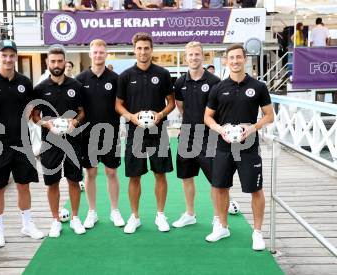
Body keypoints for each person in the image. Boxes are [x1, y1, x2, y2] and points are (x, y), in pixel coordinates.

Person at [204, 44, 274, 250]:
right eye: (231, 58)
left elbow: (270, 116)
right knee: (219, 187)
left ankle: (258, 233)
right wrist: (220, 129)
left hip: (249, 146)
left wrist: (252, 128)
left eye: (238, 57)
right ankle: (222, 227)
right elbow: (207, 117)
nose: (235, 61)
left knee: (256, 189)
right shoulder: (218, 88)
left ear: (245, 59)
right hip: (223, 146)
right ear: (226, 61)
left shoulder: (258, 87)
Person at [0, 40, 44, 248]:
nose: (8, 59)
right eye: (4, 55)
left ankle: (27, 225)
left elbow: (33, 111)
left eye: (12, 55)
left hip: (22, 142)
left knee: (23, 186)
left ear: (16, 57)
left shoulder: (25, 82)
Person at [116, 32, 175, 234]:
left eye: (146, 48)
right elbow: (118, 105)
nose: (143, 52)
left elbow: (171, 102)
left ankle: (160, 215)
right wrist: (131, 117)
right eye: (139, 48)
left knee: (160, 173)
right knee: (134, 176)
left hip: (158, 131)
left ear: (152, 49)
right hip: (135, 132)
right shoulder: (125, 76)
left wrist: (160, 115)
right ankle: (135, 216)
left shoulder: (163, 74)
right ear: (134, 49)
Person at [32, 45, 86, 238]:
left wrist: (75, 121)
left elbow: (82, 111)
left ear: (65, 62)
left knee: (74, 180)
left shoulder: (76, 86)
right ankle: (55, 220)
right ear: (47, 63)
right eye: (52, 61)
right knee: (52, 183)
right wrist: (48, 124)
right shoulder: (39, 89)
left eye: (59, 61)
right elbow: (35, 116)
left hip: (73, 140)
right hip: (50, 142)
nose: (56, 64)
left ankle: (75, 218)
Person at [76, 39, 125, 229]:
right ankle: (92, 212)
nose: (98, 55)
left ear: (106, 54)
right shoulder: (80, 80)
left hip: (110, 133)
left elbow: (121, 105)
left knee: (111, 172)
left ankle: (114, 211)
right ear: (90, 54)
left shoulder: (115, 79)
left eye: (101, 52)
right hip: (87, 134)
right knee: (91, 172)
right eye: (95, 52)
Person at [173, 42, 221, 229]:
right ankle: (190, 214)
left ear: (203, 57)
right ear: (186, 58)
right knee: (187, 176)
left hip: (208, 136)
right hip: (186, 134)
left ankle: (218, 217)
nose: (194, 58)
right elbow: (181, 107)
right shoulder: (179, 82)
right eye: (190, 55)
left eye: (197, 54)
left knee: (215, 180)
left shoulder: (214, 82)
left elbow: (217, 110)